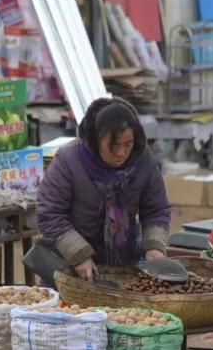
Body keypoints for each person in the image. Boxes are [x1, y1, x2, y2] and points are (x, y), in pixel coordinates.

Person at [36, 97, 171, 282]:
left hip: (122, 265)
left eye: (128, 144)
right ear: (95, 140)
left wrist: (154, 247)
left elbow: (157, 209)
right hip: (69, 264)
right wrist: (79, 255)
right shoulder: (69, 160)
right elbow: (50, 213)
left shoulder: (143, 160)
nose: (122, 153)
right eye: (113, 146)